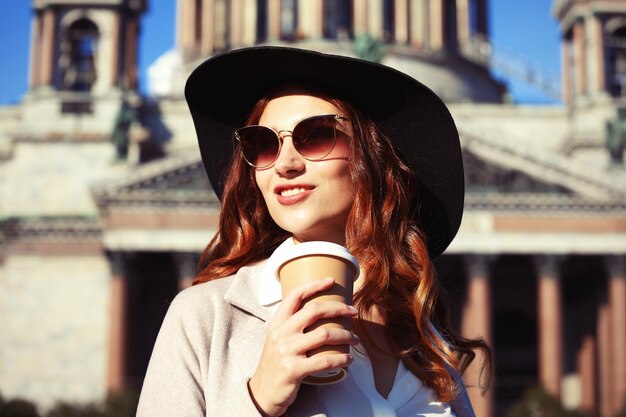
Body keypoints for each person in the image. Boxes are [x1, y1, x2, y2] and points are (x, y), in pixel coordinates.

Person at [136, 46, 491, 417]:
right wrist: (258, 399)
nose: (285, 164)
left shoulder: (425, 341)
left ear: (373, 153)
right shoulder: (205, 317)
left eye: (316, 135)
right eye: (263, 144)